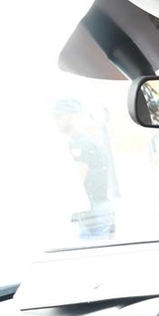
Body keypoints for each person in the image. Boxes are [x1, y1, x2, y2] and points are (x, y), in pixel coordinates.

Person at [52, 99, 116, 239]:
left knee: (90, 255)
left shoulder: (80, 145)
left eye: (59, 116)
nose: (55, 121)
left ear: (74, 116)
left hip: (92, 214)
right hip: (100, 209)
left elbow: (77, 181)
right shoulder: (91, 142)